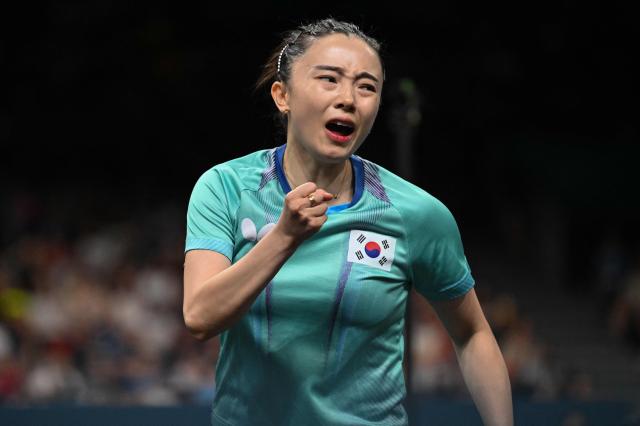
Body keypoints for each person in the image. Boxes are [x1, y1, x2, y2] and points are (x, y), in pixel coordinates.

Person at [183, 18, 513, 426]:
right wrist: (283, 237)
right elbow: (200, 316)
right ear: (282, 95)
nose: (349, 99)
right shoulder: (226, 188)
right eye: (330, 79)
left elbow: (473, 334)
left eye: (366, 86)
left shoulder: (415, 212)